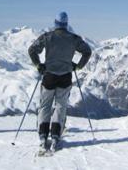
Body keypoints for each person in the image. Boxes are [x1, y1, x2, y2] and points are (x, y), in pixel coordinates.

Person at [28, 12, 92, 151]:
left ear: (55, 23)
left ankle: (43, 135)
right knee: (60, 106)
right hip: (65, 76)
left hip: (49, 75)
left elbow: (32, 50)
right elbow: (87, 51)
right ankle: (56, 135)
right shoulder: (74, 39)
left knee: (45, 105)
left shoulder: (47, 37)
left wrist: (39, 65)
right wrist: (78, 65)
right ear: (66, 24)